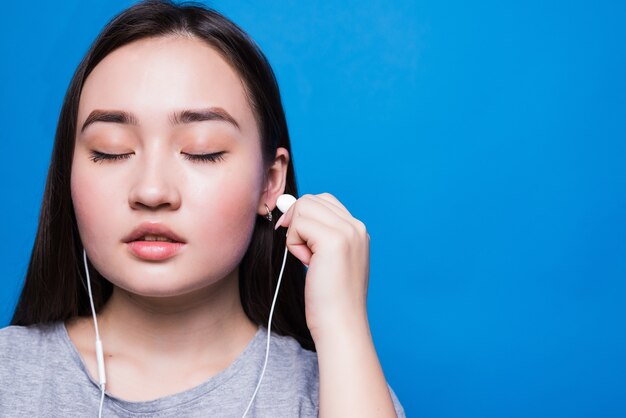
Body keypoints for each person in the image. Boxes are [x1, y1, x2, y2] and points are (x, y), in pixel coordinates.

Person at [0, 1, 406, 417]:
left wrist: (343, 325)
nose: (152, 190)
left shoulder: (343, 388)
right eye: (111, 151)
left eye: (202, 152)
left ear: (270, 183)